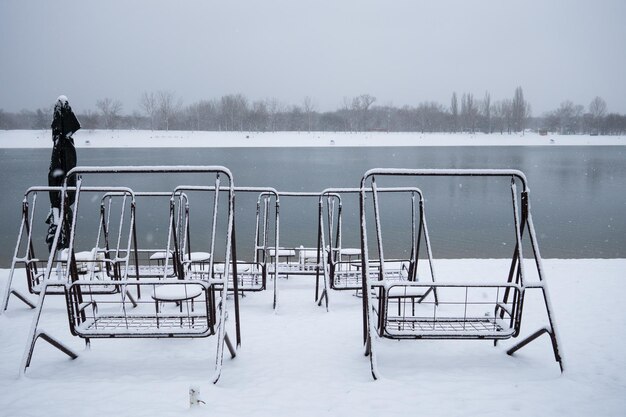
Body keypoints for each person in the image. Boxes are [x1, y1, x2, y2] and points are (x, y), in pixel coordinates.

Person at [46, 95, 81, 251]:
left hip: (62, 193)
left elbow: (54, 174)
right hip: (64, 192)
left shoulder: (62, 145)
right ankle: (62, 234)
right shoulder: (62, 145)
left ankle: (61, 231)